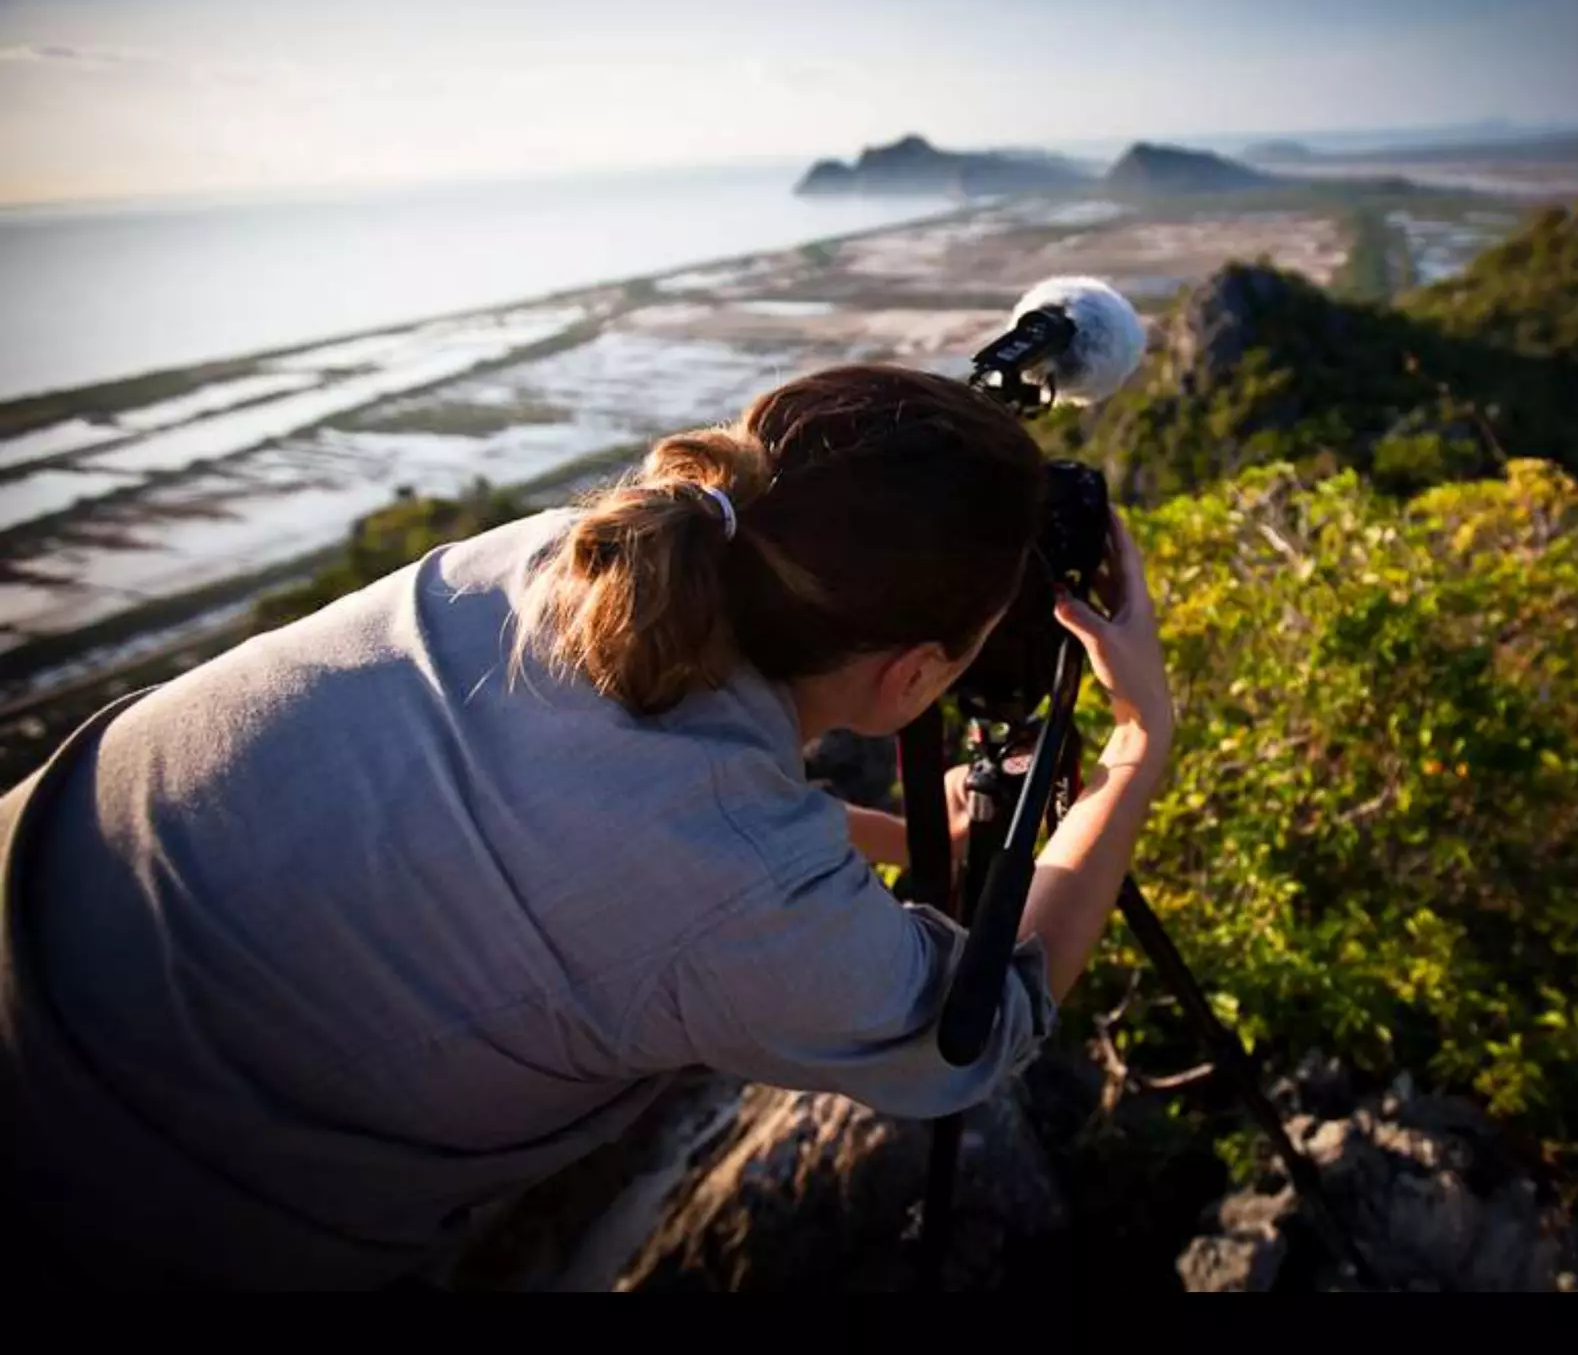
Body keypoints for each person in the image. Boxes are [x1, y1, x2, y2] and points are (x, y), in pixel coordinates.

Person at [0, 364, 1175, 1291]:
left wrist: (922, 842)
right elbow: (974, 1030)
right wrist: (1133, 746)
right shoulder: (733, 885)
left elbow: (649, 813)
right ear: (914, 678)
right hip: (100, 1222)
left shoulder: (596, 554)